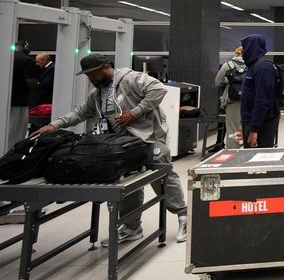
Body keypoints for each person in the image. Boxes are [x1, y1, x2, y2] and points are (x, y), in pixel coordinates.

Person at [30, 54, 188, 244]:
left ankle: (184, 216)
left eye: (93, 74)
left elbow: (158, 89)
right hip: (122, 146)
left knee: (163, 177)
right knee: (127, 184)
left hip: (149, 139)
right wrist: (54, 125)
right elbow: (81, 112)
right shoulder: (97, 93)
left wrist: (136, 112)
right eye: (88, 76)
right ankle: (131, 227)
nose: (91, 79)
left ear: (106, 67)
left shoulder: (130, 79)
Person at [239, 34, 281, 148]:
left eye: (244, 48)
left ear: (251, 47)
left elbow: (262, 101)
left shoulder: (264, 69)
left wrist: (254, 130)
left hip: (262, 124)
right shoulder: (252, 67)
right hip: (251, 121)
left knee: (258, 159)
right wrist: (243, 123)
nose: (242, 52)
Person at [214, 46, 245, 148]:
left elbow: (217, 81)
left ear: (236, 53)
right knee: (248, 126)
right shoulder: (251, 65)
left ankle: (233, 151)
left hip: (232, 100)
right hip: (248, 99)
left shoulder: (227, 65)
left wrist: (229, 81)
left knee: (232, 128)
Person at [10, 41, 36, 147]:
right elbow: (30, 82)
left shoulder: (6, 57)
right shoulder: (27, 60)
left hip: (4, 100)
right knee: (17, 132)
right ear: (26, 48)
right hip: (19, 102)